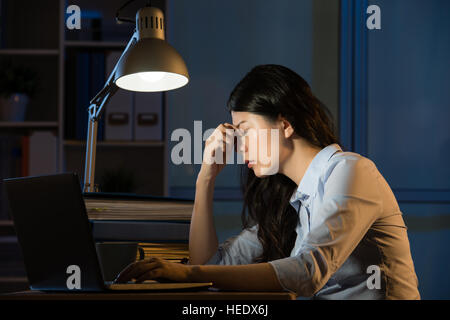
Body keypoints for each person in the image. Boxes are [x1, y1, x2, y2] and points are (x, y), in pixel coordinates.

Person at [115, 64, 420, 299]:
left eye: (245, 131)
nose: (239, 145)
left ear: (285, 125)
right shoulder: (293, 200)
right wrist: (205, 177)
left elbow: (309, 271)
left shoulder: (351, 170)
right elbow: (211, 265)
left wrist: (184, 273)